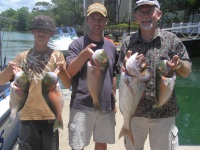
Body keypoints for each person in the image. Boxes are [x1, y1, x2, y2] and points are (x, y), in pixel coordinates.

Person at [119, 0, 192, 150]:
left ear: (158, 14)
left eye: (149, 11)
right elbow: (120, 75)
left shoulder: (172, 40)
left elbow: (187, 70)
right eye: (141, 12)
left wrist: (178, 65)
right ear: (136, 17)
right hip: (135, 114)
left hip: (164, 115)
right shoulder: (128, 43)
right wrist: (125, 66)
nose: (145, 16)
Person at [0, 15, 71, 150]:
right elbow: (1, 80)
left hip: (51, 116)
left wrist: (62, 71)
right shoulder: (21, 58)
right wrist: (9, 69)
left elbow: (67, 85)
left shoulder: (58, 56)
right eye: (38, 30)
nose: (41, 33)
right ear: (32, 32)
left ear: (52, 34)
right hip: (27, 117)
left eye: (45, 30)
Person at [66, 3, 119, 150]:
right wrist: (83, 55)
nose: (97, 22)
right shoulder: (77, 44)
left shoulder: (111, 46)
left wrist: (114, 99)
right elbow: (70, 71)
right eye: (93, 18)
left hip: (106, 105)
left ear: (106, 21)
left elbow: (113, 75)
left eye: (100, 19)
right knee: (78, 145)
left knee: (102, 143)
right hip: (81, 103)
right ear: (87, 21)